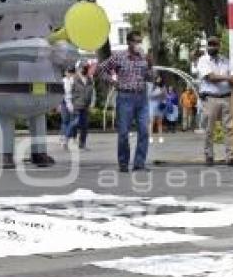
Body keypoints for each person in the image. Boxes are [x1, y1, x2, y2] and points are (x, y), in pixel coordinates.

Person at [96, 30, 153, 173]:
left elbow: (149, 77)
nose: (139, 44)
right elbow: (100, 70)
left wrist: (150, 66)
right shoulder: (119, 56)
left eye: (140, 42)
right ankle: (123, 163)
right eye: (136, 41)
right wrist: (114, 82)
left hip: (141, 97)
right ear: (129, 42)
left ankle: (139, 163)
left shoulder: (143, 58)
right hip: (125, 97)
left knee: (144, 131)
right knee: (123, 133)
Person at [197, 36, 233, 167]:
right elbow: (211, 77)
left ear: (219, 46)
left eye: (215, 44)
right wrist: (228, 78)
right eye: (210, 44)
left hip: (226, 96)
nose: (212, 46)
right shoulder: (203, 60)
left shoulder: (225, 60)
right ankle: (209, 155)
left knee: (229, 129)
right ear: (207, 46)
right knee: (209, 129)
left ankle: (230, 157)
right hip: (210, 98)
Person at [65, 61, 94, 150]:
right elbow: (68, 92)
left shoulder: (90, 79)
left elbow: (93, 92)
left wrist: (92, 103)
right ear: (79, 69)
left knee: (84, 126)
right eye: (84, 67)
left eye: (86, 68)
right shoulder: (73, 79)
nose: (85, 69)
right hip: (76, 104)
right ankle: (66, 139)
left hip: (86, 105)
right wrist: (69, 104)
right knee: (75, 122)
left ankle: (82, 144)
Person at [148, 76, 167, 143]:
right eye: (157, 79)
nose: (159, 80)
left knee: (159, 122)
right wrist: (158, 92)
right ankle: (150, 137)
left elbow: (165, 96)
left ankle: (160, 137)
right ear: (155, 79)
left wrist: (164, 102)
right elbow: (149, 95)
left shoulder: (163, 87)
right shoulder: (152, 86)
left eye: (160, 79)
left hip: (160, 105)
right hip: (152, 105)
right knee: (152, 121)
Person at [60, 66, 75, 147]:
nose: (69, 74)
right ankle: (63, 138)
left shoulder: (75, 81)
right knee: (65, 120)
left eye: (71, 72)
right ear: (65, 73)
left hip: (73, 102)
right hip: (64, 102)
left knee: (72, 121)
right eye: (68, 72)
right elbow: (59, 94)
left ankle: (68, 137)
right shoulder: (62, 81)